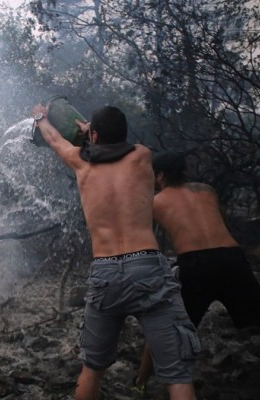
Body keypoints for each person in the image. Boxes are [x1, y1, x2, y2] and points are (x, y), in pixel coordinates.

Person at [31, 104, 198, 400]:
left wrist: (41, 116)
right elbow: (115, 145)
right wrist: (90, 129)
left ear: (94, 135)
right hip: (147, 265)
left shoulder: (80, 163)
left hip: (105, 270)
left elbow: (55, 139)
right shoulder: (142, 155)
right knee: (177, 373)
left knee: (93, 367)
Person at [134, 151, 260, 389]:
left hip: (195, 264)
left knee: (165, 325)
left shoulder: (155, 202)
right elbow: (221, 224)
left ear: (159, 176)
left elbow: (145, 242)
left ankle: (139, 382)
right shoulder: (206, 191)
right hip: (232, 258)